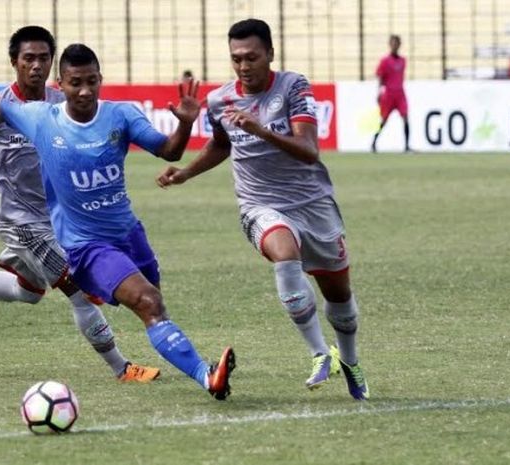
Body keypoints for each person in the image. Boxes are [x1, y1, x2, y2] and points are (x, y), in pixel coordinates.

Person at [0, 24, 236, 400]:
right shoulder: (40, 118)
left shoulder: (121, 116)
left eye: (92, 81)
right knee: (146, 302)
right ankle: (201, 377)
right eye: (76, 83)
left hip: (128, 234)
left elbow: (170, 152)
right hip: (83, 245)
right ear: (60, 84)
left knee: (149, 303)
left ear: (101, 79)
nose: (85, 91)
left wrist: (187, 124)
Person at [0, 25, 160, 383]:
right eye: (28, 58)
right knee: (78, 290)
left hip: (60, 222)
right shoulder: (0, 109)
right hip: (22, 223)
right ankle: (122, 369)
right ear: (14, 62)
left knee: (28, 292)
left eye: (43, 58)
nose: (36, 66)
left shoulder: (60, 105)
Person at [156, 18, 369, 400]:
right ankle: (320, 353)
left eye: (251, 57)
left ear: (270, 54)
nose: (243, 66)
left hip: (313, 204)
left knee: (339, 297)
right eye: (236, 59)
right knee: (284, 253)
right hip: (260, 204)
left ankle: (349, 360)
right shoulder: (220, 99)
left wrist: (262, 131)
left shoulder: (293, 87)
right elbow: (222, 145)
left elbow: (309, 152)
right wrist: (186, 173)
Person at [371, 34, 410, 153]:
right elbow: (380, 77)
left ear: (399, 45)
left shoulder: (403, 61)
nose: (395, 46)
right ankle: (373, 143)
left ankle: (407, 146)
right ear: (390, 45)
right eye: (393, 43)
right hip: (389, 94)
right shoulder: (385, 61)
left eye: (397, 43)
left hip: (400, 94)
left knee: (405, 117)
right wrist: (379, 92)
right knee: (383, 120)